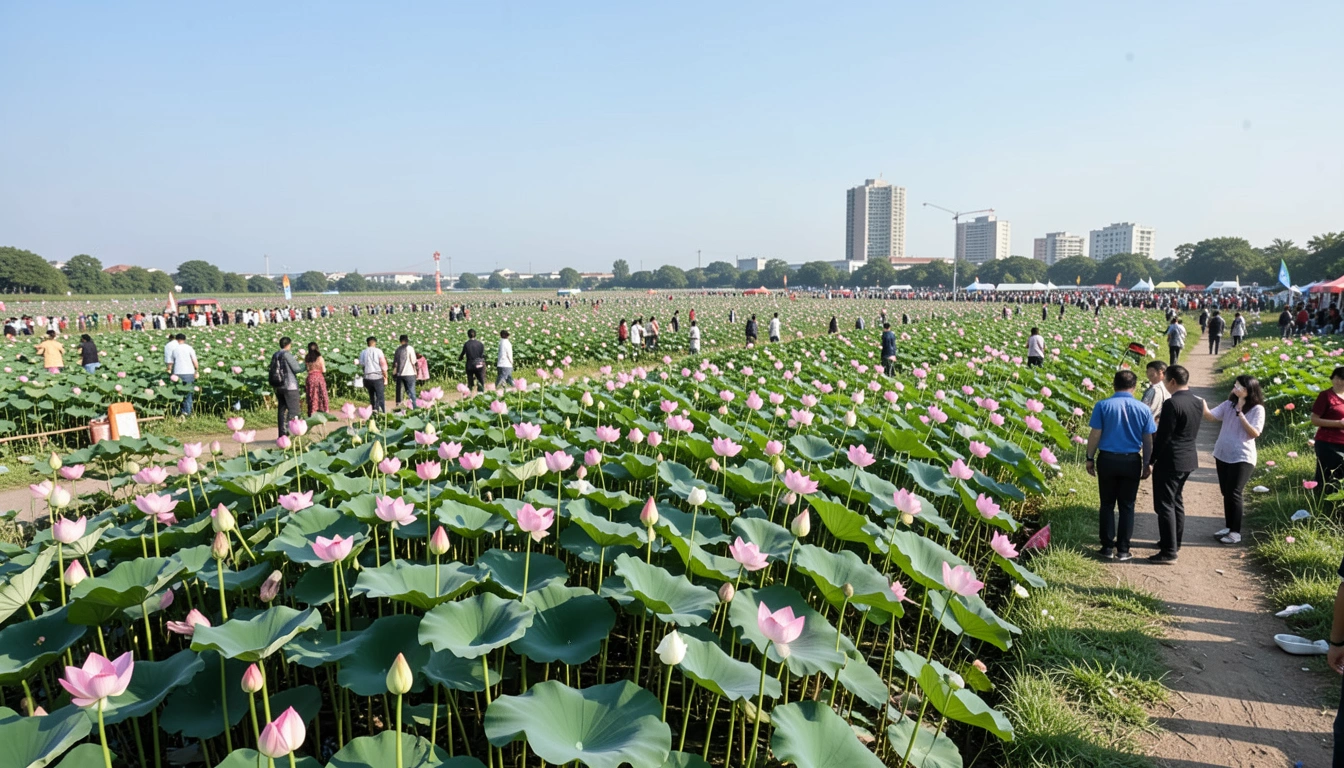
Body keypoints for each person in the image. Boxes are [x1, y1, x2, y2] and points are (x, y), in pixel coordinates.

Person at [1085, 370, 1156, 561]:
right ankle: (1123, 550)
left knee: (1107, 504)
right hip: (1131, 459)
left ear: (1113, 384)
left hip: (1107, 459)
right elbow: (1148, 439)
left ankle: (1107, 547)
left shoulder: (1103, 405)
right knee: (1127, 505)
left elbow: (1095, 434)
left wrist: (1089, 457)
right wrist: (1148, 463)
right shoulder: (1143, 409)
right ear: (1134, 386)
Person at [1202, 375, 1265, 545]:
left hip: (1242, 456)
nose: (1235, 388)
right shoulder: (1229, 404)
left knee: (1235, 492)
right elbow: (1211, 416)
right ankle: (1229, 527)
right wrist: (1202, 405)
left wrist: (1241, 415)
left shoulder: (1257, 409)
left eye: (1239, 386)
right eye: (1235, 385)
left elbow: (1255, 433)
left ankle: (1236, 532)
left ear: (1248, 390)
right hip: (1223, 454)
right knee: (1226, 492)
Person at [1148, 365, 1201, 564]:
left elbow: (1163, 436)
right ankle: (1173, 542)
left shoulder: (1171, 403)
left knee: (1165, 505)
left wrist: (1151, 459)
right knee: (1176, 501)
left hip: (1171, 459)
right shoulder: (1197, 401)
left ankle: (1169, 552)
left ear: (1171, 381)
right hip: (1188, 458)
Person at [1311, 366, 1344, 498]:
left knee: (1324, 474)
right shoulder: (1325, 396)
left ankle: (1324, 502)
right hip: (1327, 442)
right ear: (1332, 379)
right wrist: (1338, 424)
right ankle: (1326, 501)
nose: (1340, 382)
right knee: (1337, 469)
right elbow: (1314, 419)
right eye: (1337, 378)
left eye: (1343, 379)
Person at [270, 337, 304, 433]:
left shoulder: (275, 355)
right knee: (294, 410)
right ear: (288, 345)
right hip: (290, 385)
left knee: (282, 410)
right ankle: (293, 433)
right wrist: (306, 365)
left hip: (278, 386)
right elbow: (297, 369)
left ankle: (282, 434)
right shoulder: (287, 355)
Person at [168, 333, 198, 416]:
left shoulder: (174, 349)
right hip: (189, 372)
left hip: (177, 373)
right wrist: (196, 369)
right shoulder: (189, 348)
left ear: (177, 340)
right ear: (184, 339)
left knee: (178, 393)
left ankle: (178, 412)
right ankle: (187, 412)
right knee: (188, 393)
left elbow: (170, 363)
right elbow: (194, 360)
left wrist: (169, 370)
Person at [358, 336, 388, 412]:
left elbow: (361, 364)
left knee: (372, 397)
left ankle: (373, 413)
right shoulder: (378, 351)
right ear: (374, 343)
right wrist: (385, 376)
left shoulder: (363, 352)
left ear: (367, 343)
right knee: (380, 397)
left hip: (367, 377)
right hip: (377, 377)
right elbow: (383, 365)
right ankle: (381, 415)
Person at [392, 334, 418, 407]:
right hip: (410, 373)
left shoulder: (398, 349)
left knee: (399, 393)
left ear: (400, 341)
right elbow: (413, 361)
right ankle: (414, 408)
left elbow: (395, 363)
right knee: (411, 392)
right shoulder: (410, 348)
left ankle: (399, 409)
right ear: (407, 340)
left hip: (400, 374)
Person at [304, 342, 329, 416]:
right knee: (322, 393)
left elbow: (308, 369)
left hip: (310, 377)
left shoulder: (307, 358)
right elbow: (324, 370)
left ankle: (312, 411)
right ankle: (324, 409)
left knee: (312, 394)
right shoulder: (320, 358)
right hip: (319, 377)